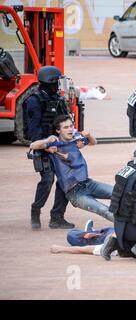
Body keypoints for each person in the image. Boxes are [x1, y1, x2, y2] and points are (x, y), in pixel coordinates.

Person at [29, 115, 114, 222]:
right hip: (75, 193)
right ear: (58, 130)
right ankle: (128, 230)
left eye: (71, 126)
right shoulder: (54, 143)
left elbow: (94, 142)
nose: (70, 129)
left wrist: (89, 135)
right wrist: (47, 140)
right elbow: (33, 145)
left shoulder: (76, 137)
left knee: (120, 193)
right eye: (65, 127)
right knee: (104, 210)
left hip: (88, 183)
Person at [24, 66, 73, 230]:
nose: (59, 85)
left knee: (66, 180)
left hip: (58, 147)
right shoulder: (34, 101)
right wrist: (46, 146)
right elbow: (34, 131)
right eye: (57, 81)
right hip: (42, 146)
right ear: (51, 82)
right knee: (47, 180)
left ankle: (57, 217)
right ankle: (35, 210)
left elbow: (66, 122)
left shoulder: (58, 99)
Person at [50, 219, 136, 257]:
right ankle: (89, 232)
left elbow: (85, 249)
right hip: (116, 232)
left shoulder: (113, 248)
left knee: (71, 234)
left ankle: (88, 232)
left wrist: (61, 249)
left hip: (98, 239)